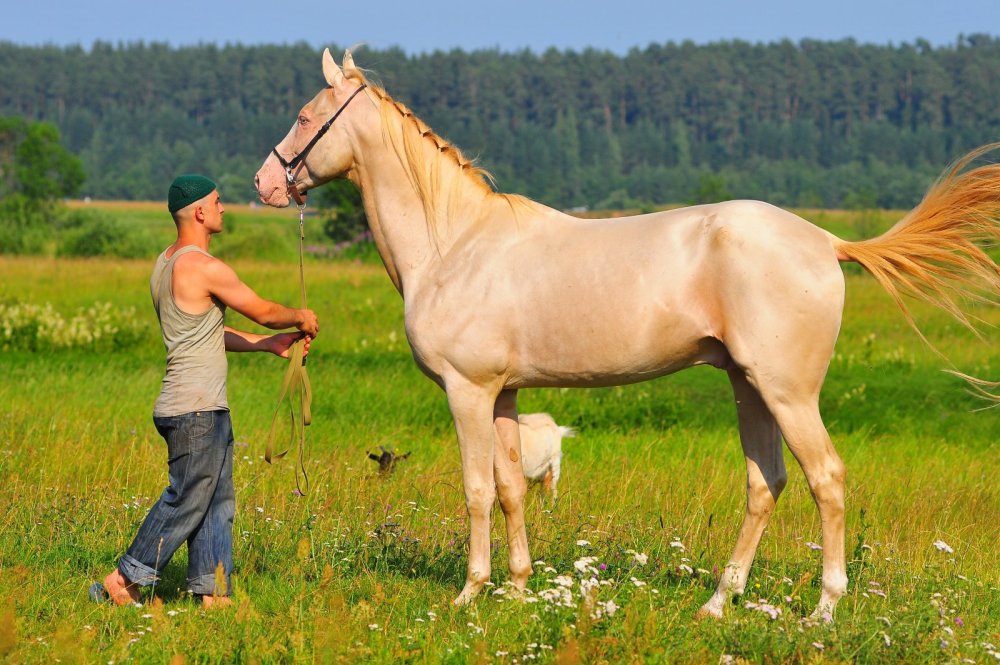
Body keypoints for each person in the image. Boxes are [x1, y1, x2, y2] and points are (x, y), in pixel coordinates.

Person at [92, 174, 319, 608]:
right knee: (187, 499)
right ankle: (124, 579)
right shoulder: (202, 266)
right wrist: (298, 318)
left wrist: (267, 345)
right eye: (217, 202)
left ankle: (213, 594)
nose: (223, 208)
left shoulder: (165, 263)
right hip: (196, 409)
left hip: (194, 406)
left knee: (217, 502)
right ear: (199, 212)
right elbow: (264, 311)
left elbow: (206, 331)